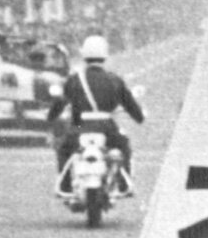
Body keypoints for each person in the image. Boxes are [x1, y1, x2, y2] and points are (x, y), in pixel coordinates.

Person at [47, 35, 146, 194]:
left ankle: (65, 186)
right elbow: (130, 105)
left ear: (84, 55)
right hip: (107, 127)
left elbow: (60, 102)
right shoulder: (114, 80)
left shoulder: (74, 79)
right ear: (104, 55)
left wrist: (51, 117)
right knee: (124, 147)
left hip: (79, 127)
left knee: (64, 150)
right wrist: (139, 117)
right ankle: (124, 184)